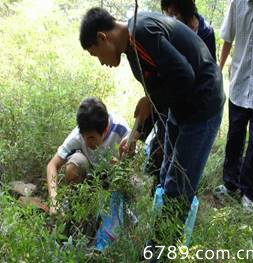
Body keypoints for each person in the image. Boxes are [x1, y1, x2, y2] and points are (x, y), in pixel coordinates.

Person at [79, 8, 225, 215]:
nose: (101, 62)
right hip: (179, 105)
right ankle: (158, 237)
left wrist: (150, 100)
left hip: (203, 104)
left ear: (103, 38)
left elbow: (184, 76)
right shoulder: (131, 47)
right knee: (166, 174)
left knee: (178, 189)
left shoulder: (141, 32)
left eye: (96, 54)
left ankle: (162, 246)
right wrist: (137, 134)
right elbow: (160, 88)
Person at [140, 0, 217, 187]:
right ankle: (159, 187)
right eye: (166, 11)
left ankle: (177, 194)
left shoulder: (206, 31)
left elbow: (207, 69)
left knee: (183, 166)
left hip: (196, 106)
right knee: (164, 153)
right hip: (172, 102)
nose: (169, 16)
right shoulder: (168, 30)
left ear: (184, 8)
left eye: (173, 11)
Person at [47, 97, 130, 215]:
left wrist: (121, 164)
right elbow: (52, 165)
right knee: (75, 163)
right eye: (84, 136)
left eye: (91, 138)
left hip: (115, 178)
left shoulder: (121, 130)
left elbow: (133, 165)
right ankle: (76, 209)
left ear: (105, 129)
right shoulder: (79, 134)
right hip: (91, 179)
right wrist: (54, 202)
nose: (87, 142)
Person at [214, 0, 253, 213]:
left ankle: (249, 192)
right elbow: (227, 39)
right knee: (235, 136)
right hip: (240, 84)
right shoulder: (238, 3)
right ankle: (230, 183)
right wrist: (218, 71)